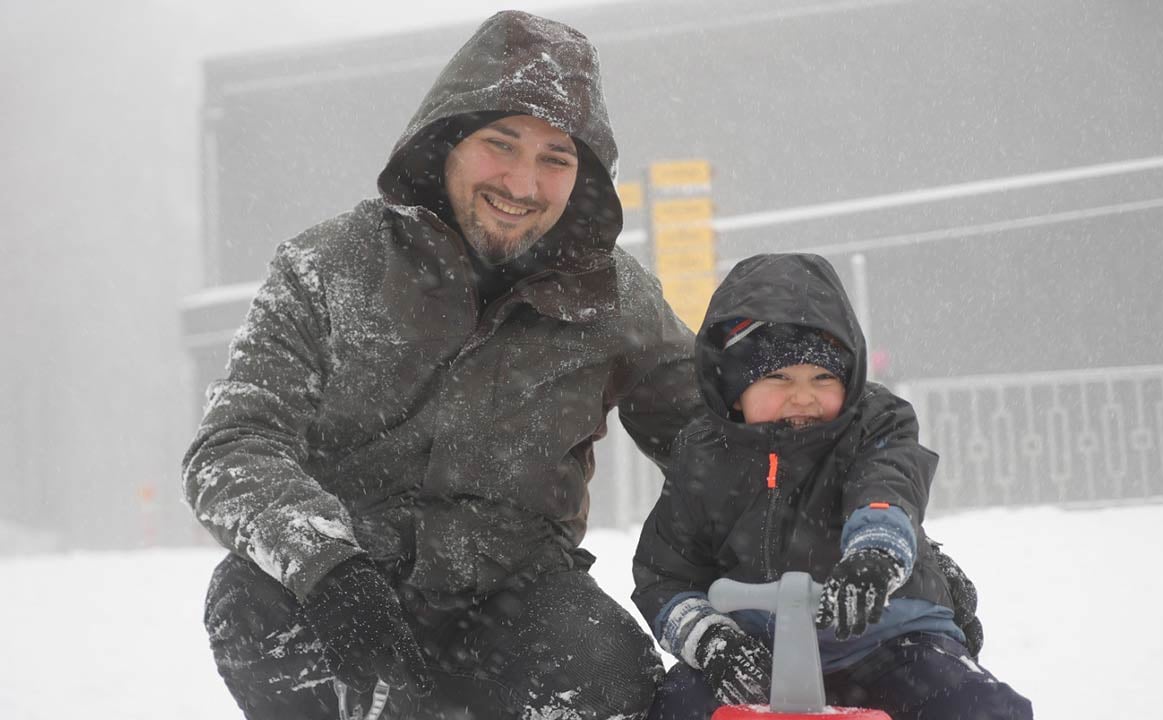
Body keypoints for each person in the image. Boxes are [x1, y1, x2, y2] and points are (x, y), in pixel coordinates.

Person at [183, 11, 698, 720]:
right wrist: (329, 569)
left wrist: (834, 491)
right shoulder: (326, 268)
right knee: (250, 602)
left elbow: (718, 439)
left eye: (555, 158)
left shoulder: (613, 297)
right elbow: (233, 445)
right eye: (500, 144)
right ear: (447, 140)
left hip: (518, 598)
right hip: (352, 591)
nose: (523, 182)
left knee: (611, 668)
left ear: (583, 177)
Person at [632, 253, 1032, 720]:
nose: (803, 396)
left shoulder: (875, 424)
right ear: (735, 389)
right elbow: (666, 574)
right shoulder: (703, 453)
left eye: (823, 377)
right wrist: (711, 641)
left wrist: (875, 554)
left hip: (889, 641)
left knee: (975, 706)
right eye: (779, 377)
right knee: (677, 706)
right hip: (757, 650)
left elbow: (886, 486)